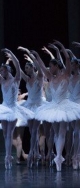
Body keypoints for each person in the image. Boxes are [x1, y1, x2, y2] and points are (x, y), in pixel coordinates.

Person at [33, 40, 80, 171]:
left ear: (56, 66)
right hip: (53, 106)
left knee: (62, 133)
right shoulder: (50, 76)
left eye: (51, 66)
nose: (49, 68)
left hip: (65, 106)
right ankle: (58, 157)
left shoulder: (66, 74)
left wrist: (61, 47)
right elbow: (42, 67)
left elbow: (66, 58)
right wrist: (36, 56)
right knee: (55, 133)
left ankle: (59, 157)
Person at [0, 48, 34, 169]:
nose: (1, 72)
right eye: (1, 70)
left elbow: (17, 64)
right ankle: (8, 156)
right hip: (4, 108)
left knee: (9, 133)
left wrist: (11, 54)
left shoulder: (16, 79)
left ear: (7, 70)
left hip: (13, 109)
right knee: (6, 134)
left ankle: (9, 157)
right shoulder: (1, 79)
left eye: (2, 70)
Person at [17, 46, 47, 168]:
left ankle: (34, 153)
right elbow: (18, 69)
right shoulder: (27, 78)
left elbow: (40, 67)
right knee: (31, 131)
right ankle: (34, 153)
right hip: (29, 105)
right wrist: (13, 59)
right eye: (26, 68)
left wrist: (29, 52)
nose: (26, 69)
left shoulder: (39, 77)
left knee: (35, 131)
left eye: (28, 67)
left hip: (38, 105)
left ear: (32, 68)